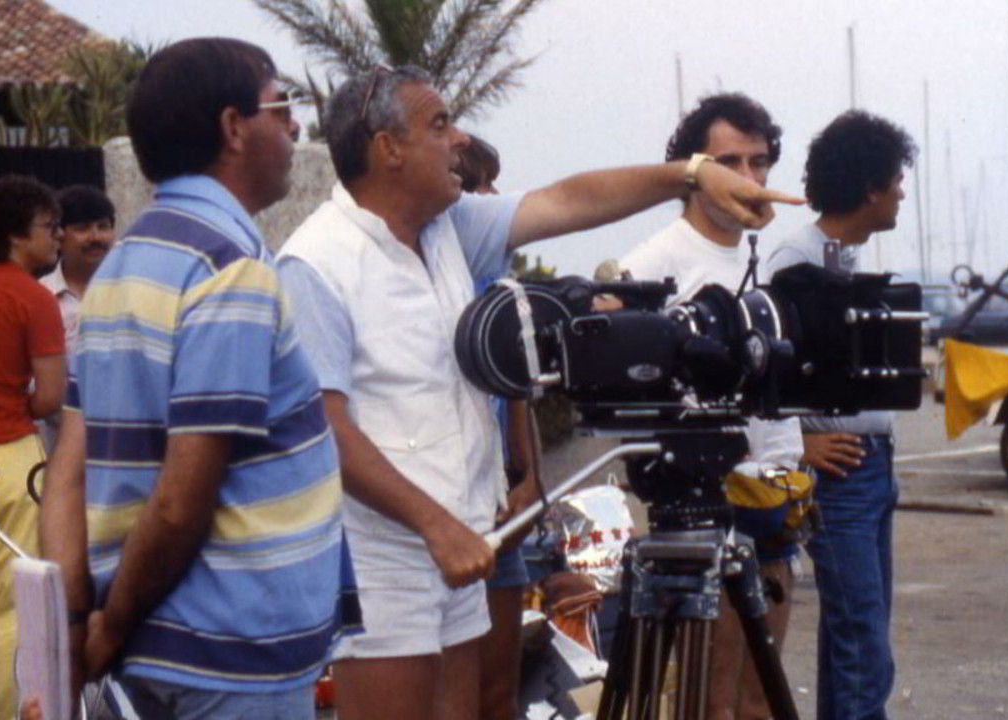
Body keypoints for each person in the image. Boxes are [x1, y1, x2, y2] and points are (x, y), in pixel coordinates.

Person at [277, 64, 799, 719]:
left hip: (464, 542)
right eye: (439, 124)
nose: (459, 139)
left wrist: (690, 175)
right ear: (389, 148)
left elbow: (567, 200)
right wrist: (436, 527)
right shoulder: (318, 263)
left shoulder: (449, 228)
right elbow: (325, 428)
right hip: (386, 559)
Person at [38, 37, 360, 718]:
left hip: (158, 645)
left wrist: (76, 623)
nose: (294, 126)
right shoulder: (227, 268)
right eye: (281, 106)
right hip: (234, 645)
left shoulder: (121, 268)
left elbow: (68, 469)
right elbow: (183, 498)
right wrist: (111, 627)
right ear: (233, 127)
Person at [618, 92, 805, 719]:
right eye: (730, 164)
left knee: (761, 701)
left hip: (774, 496)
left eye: (759, 163)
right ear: (694, 171)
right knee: (710, 705)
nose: (748, 179)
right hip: (704, 508)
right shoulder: (653, 263)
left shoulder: (765, 257)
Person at [765, 109, 917, 720]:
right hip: (841, 474)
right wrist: (800, 444)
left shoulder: (843, 257)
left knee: (853, 636)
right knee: (863, 641)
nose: (901, 192)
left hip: (872, 467)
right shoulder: (793, 261)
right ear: (870, 186)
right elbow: (767, 366)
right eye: (896, 180)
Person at [0, 175, 65, 720]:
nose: (57, 236)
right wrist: (8, 399)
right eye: (48, 227)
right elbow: (50, 396)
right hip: (9, 461)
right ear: (15, 234)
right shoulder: (34, 299)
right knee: (14, 606)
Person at [457, 134, 541, 720]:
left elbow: (516, 391)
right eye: (476, 185)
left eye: (492, 183)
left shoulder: (500, 288)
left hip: (500, 511)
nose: (490, 196)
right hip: (447, 513)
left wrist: (529, 478)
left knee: (499, 694)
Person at [38, 185, 116, 448]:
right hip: (57, 446)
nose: (95, 237)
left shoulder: (131, 293)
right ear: (59, 235)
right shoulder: (40, 298)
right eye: (83, 228)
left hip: (121, 444)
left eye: (103, 226)